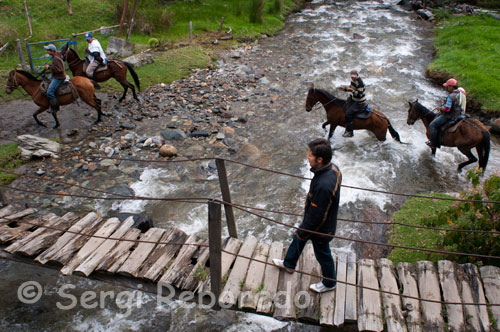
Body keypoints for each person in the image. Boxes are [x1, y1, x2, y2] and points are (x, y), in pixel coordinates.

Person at [273, 138, 342, 293]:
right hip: (326, 219)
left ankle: (330, 283)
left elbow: (317, 216)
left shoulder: (324, 185)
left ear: (320, 159)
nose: (307, 157)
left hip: (322, 228)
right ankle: (289, 264)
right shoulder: (334, 169)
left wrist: (304, 230)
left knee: (322, 253)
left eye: (310, 155)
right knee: (299, 239)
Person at [427, 78, 464, 148]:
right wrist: (446, 102)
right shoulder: (459, 93)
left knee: (432, 125)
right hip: (459, 114)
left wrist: (440, 108)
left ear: (451, 86)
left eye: (447, 86)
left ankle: (434, 143)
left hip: (450, 116)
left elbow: (447, 109)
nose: (447, 88)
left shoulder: (450, 96)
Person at [337, 69, 366, 137]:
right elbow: (351, 87)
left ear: (357, 75)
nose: (352, 78)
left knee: (348, 114)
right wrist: (344, 88)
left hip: (359, 101)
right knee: (344, 106)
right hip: (353, 98)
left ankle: (350, 132)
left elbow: (359, 94)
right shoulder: (353, 81)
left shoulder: (360, 83)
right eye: (351, 76)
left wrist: (352, 91)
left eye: (353, 76)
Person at [43, 44, 66, 114]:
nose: (47, 51)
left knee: (49, 92)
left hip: (59, 77)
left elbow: (59, 70)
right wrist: (50, 66)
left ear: (52, 51)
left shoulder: (56, 58)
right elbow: (55, 66)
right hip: (55, 75)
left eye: (48, 50)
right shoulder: (55, 56)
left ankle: (55, 107)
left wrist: (49, 67)